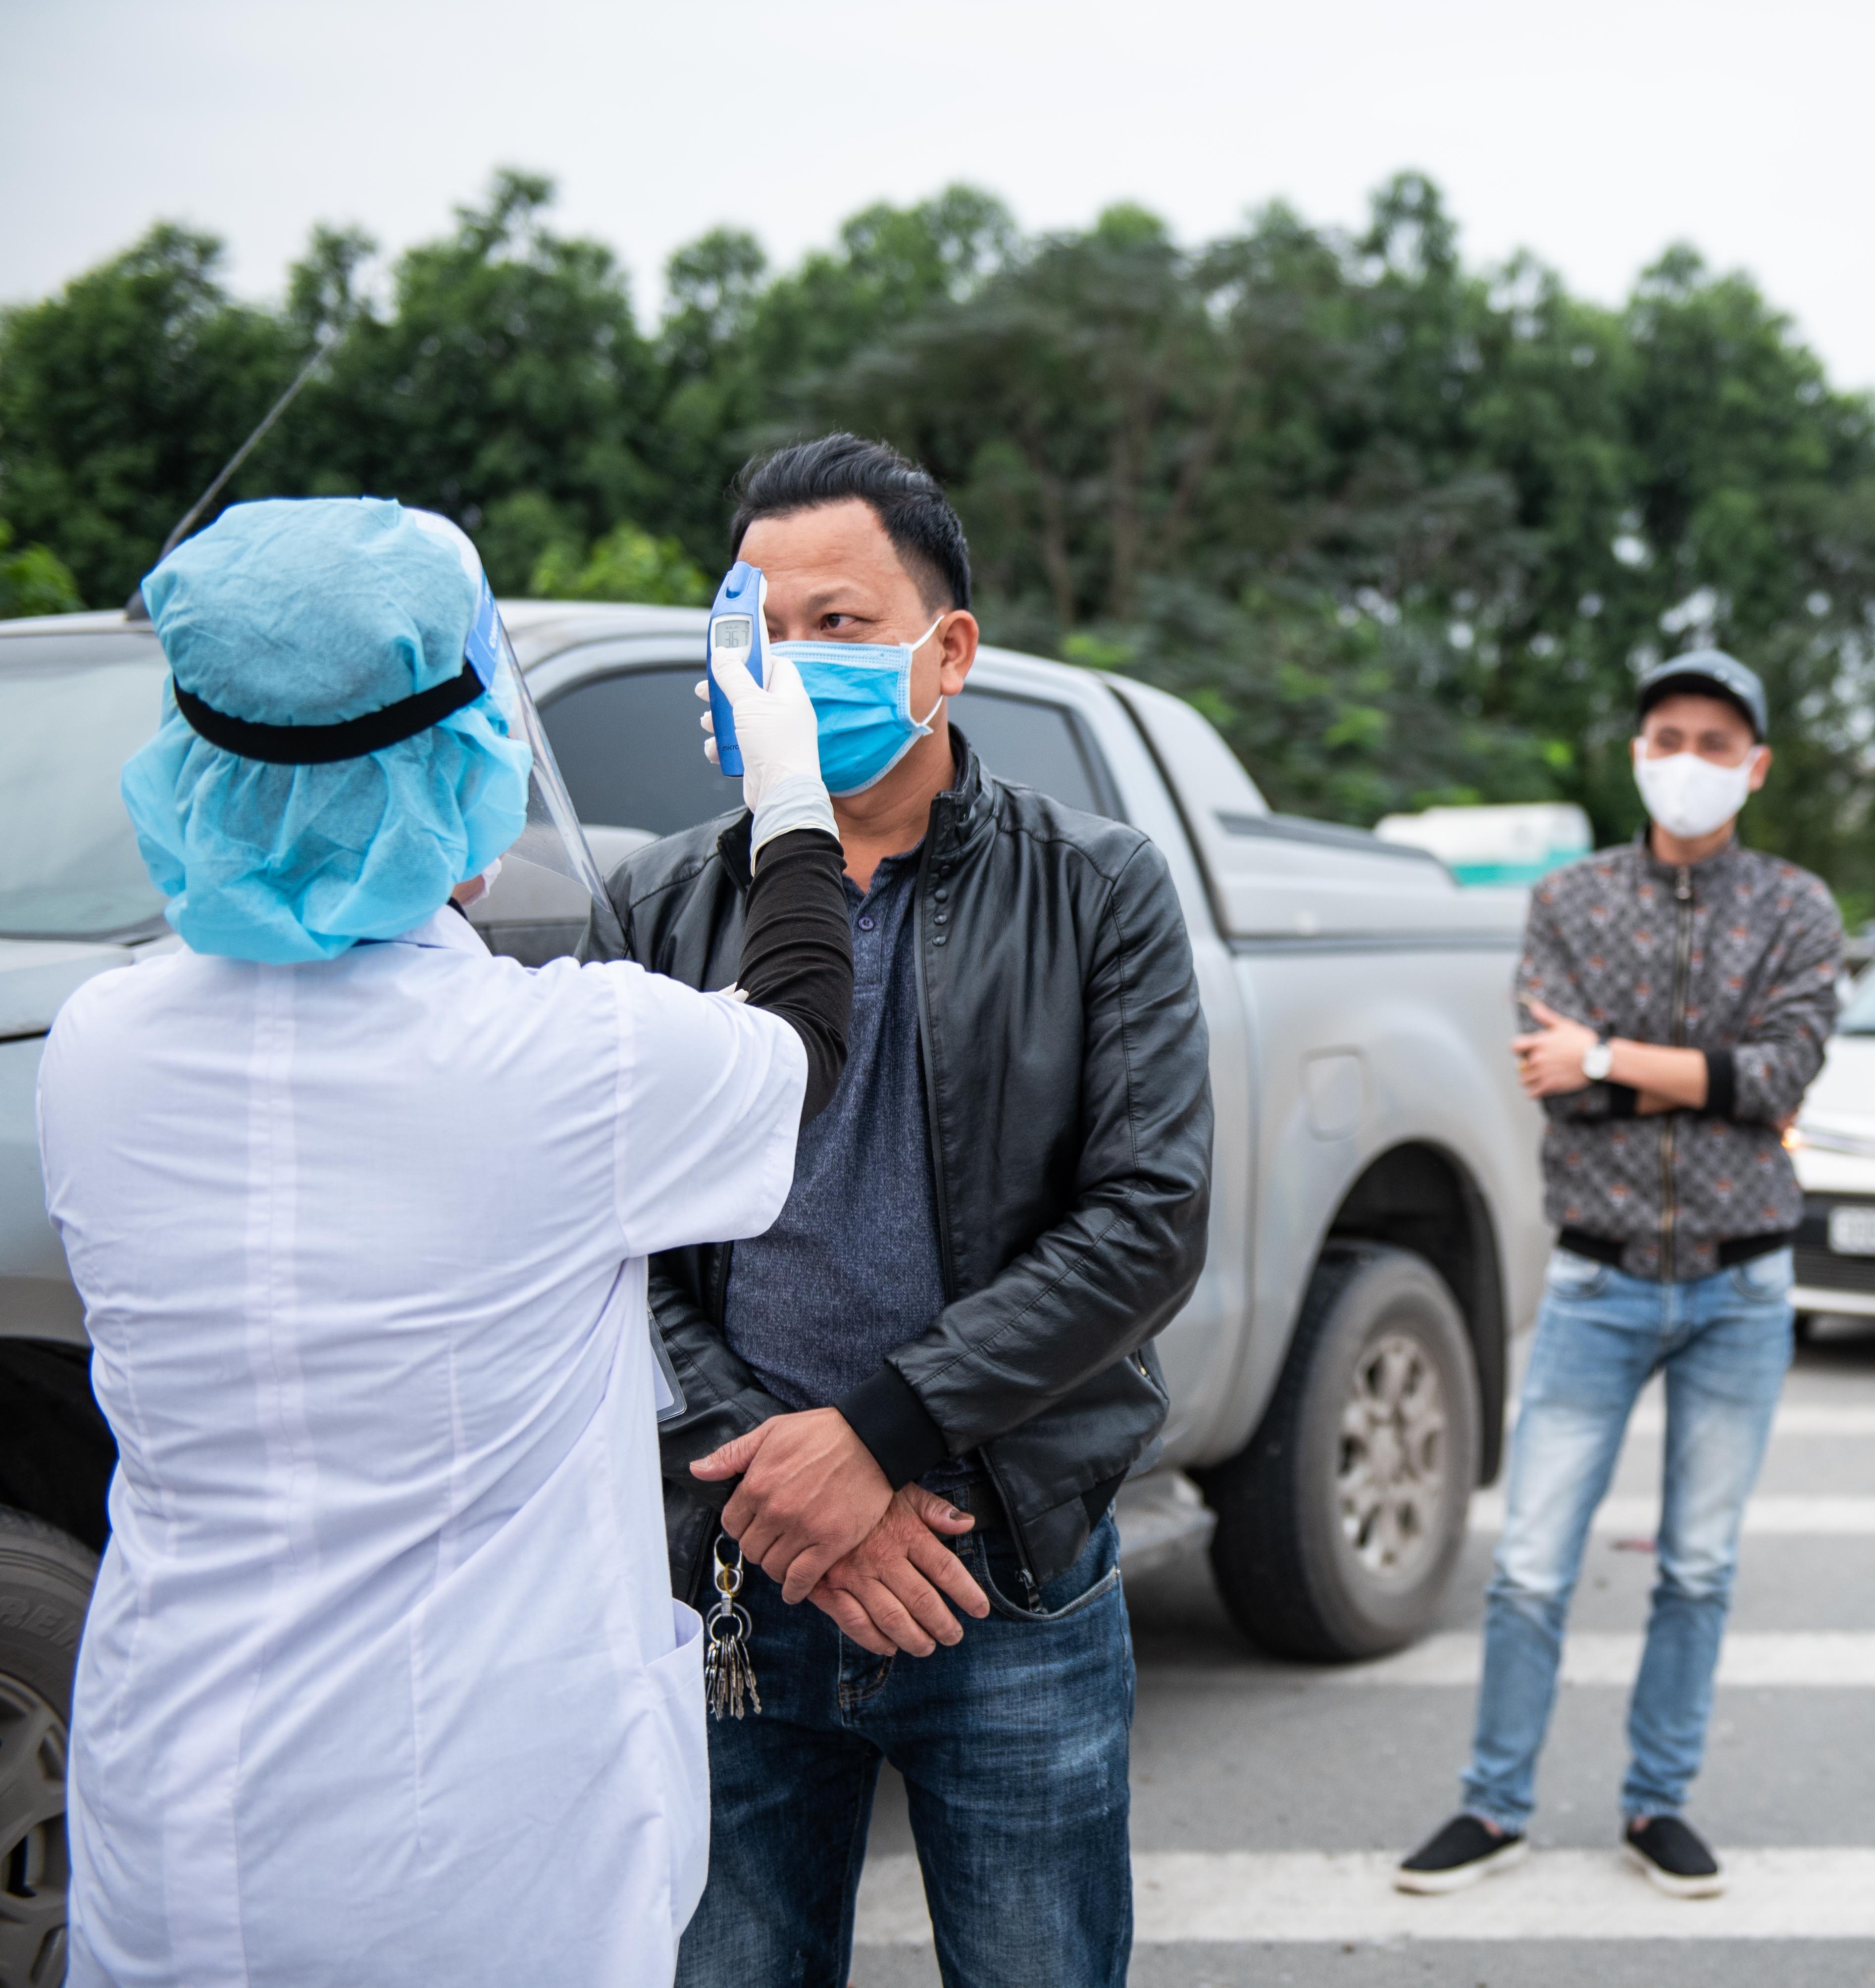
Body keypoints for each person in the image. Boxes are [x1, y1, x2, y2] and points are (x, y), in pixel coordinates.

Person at [40, 496, 857, 1986]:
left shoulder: (98, 1052)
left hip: (174, 1825)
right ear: (459, 766)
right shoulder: (565, 1062)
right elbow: (799, 1044)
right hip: (466, 1864)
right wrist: (791, 799)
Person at [584, 434, 1212, 1988]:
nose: (789, 667)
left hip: (998, 1571)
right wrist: (771, 1487)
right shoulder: (658, 906)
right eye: (758, 628)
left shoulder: (1099, 888)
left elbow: (1144, 1221)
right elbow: (610, 1241)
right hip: (738, 1578)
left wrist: (875, 1437)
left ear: (950, 653)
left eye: (839, 625)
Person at [1395, 649, 1842, 1901]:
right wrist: (1657, 1066)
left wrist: (1614, 1055)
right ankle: (1494, 1804)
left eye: (1715, 740)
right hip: (1596, 1282)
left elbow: (1778, 1079)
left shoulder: (1800, 908)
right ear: (1636, 752)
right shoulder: (1570, 900)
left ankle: (1659, 1800)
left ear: (1754, 766)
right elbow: (1558, 1083)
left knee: (1698, 1564)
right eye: (1668, 735)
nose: (1688, 760)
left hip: (1741, 1287)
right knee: (1531, 1561)